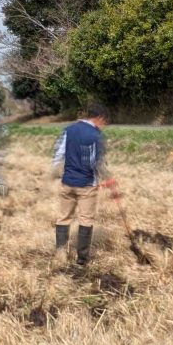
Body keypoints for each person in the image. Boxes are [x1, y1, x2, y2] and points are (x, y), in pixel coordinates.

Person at [51, 102, 110, 266]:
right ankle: (82, 259)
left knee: (63, 218)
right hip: (86, 184)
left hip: (67, 181)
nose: (104, 126)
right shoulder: (96, 135)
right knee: (86, 219)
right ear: (99, 118)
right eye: (104, 122)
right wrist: (104, 177)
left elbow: (58, 154)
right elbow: (95, 162)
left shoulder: (69, 130)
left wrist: (58, 173)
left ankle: (60, 254)